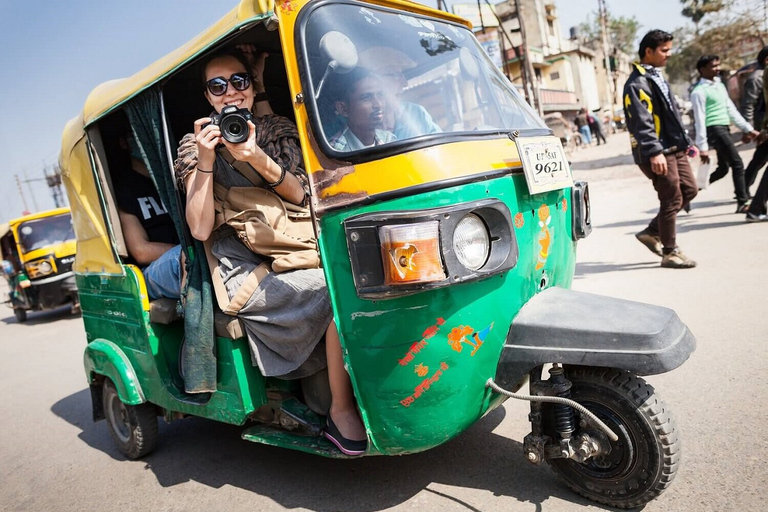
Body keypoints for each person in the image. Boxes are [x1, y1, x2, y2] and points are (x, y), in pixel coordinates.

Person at [174, 48, 367, 455]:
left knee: (363, 278)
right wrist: (208, 160)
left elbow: (302, 197)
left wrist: (256, 156)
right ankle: (340, 409)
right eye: (218, 85)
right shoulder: (194, 146)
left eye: (239, 81)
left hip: (293, 248)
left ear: (251, 87)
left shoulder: (277, 128)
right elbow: (200, 227)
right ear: (208, 97)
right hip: (243, 268)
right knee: (336, 296)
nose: (230, 93)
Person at [623, 29, 698, 269]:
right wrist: (654, 151)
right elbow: (641, 121)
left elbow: (671, 115)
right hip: (658, 150)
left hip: (675, 146)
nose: (669, 54)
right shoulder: (637, 83)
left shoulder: (656, 77)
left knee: (690, 190)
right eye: (664, 50)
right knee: (671, 197)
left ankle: (652, 231)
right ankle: (670, 251)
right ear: (649, 51)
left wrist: (686, 142)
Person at [690, 54, 759, 213]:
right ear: (702, 69)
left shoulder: (719, 85)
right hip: (714, 129)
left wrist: (748, 129)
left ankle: (688, 192)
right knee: (737, 163)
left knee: (723, 169)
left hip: (724, 127)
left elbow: (731, 110)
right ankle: (743, 202)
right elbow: (699, 120)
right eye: (713, 66)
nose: (717, 68)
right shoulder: (699, 92)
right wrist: (703, 147)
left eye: (718, 65)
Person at [116, 136, 182, 300]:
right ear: (125, 142)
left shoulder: (172, 178)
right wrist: (189, 249)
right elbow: (140, 251)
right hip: (152, 270)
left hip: (184, 254)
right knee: (189, 258)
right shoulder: (124, 189)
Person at [358, 46, 441, 140]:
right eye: (396, 76)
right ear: (372, 80)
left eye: (402, 75)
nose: (405, 83)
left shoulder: (417, 113)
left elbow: (442, 148)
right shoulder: (351, 121)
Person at [328, 67, 396, 152]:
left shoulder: (388, 139)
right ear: (343, 109)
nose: (378, 104)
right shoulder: (335, 152)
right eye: (366, 98)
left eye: (380, 95)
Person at [742, 46, 768, 196]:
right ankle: (743, 190)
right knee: (760, 159)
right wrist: (749, 129)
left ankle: (743, 188)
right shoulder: (757, 78)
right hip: (762, 125)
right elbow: (748, 104)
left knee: (760, 158)